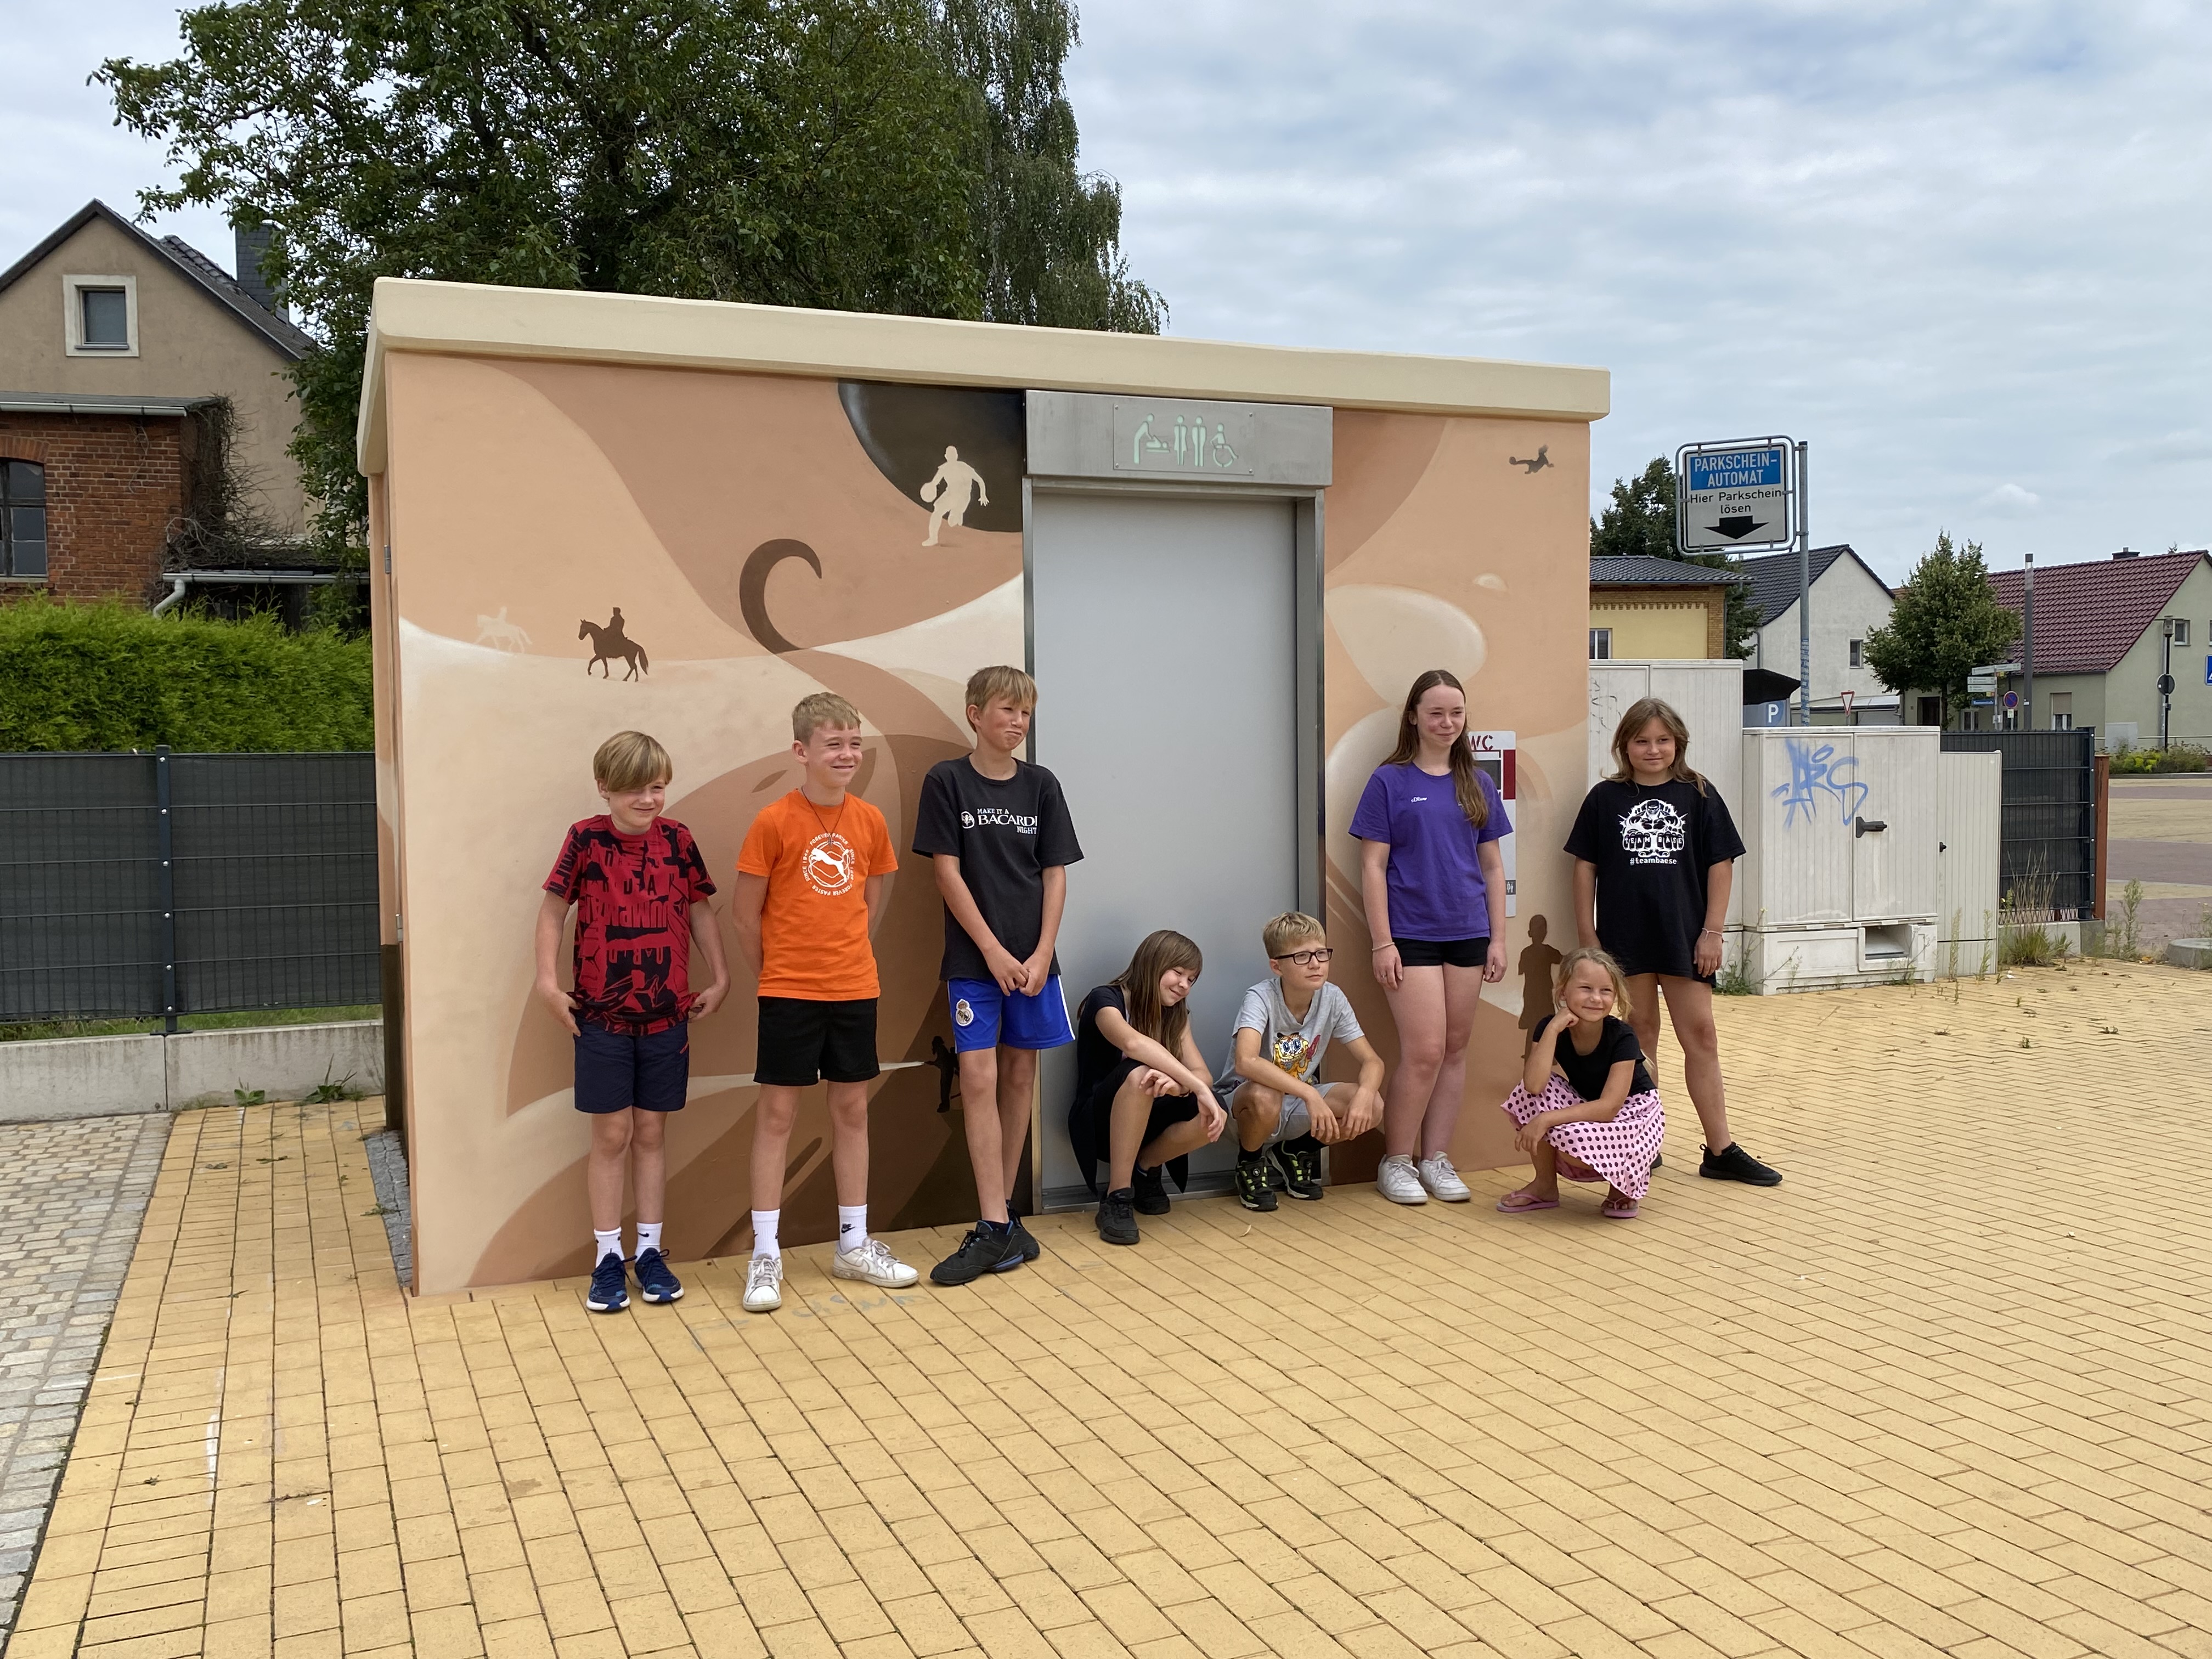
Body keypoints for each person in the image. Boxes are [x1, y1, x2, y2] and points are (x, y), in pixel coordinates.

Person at [730, 693, 917, 1314]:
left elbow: (874, 899)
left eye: (854, 743)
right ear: (801, 751)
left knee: (852, 1113)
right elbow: (743, 916)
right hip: (789, 993)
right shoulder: (773, 821)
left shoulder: (869, 821)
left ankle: (854, 1245)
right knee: (778, 1118)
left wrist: (847, 959)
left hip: (856, 990)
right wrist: (777, 975)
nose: (846, 754)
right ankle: (765, 1254)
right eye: (833, 744)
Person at [534, 731, 729, 1314]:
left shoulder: (679, 841)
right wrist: (547, 983)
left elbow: (700, 909)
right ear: (605, 789)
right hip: (601, 1018)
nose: (648, 800)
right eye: (635, 790)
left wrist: (720, 978)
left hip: (668, 1015)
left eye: (658, 787)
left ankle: (649, 1251)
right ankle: (606, 1258)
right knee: (612, 1135)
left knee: (651, 1133)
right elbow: (552, 912)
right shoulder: (585, 840)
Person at [913, 665, 1084, 1284]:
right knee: (978, 1078)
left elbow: (1056, 873)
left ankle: (1004, 1220)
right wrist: (990, 950)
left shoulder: (1042, 785)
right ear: (975, 713)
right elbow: (946, 873)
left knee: (1018, 1077)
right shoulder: (947, 781)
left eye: (1026, 714)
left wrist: (1041, 954)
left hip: (1035, 962)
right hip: (975, 961)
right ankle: (992, 1224)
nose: (1017, 723)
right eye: (1006, 710)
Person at [1566, 697, 1780, 1186]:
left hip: (1686, 939)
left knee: (1701, 1034)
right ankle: (1644, 1142)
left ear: (1678, 743)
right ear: (1625, 745)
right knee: (1639, 1034)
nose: (1653, 749)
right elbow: (1584, 867)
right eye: (1642, 740)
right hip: (1623, 941)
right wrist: (1588, 938)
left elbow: (1721, 865)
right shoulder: (1604, 798)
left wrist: (1713, 932)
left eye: (1663, 740)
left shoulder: (1699, 794)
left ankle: (1720, 1148)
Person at [1352, 669, 1510, 1205]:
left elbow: (1492, 867)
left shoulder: (1478, 783)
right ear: (1414, 716)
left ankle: (1435, 1159)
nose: (1447, 722)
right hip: (1410, 934)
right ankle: (1396, 1161)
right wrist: (1382, 942)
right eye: (1437, 712)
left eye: (1457, 713)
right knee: (1424, 1051)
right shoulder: (1389, 781)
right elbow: (1373, 867)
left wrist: (1498, 939)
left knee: (1456, 1049)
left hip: (1468, 931)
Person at [1215, 912, 1385, 1209]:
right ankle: (1250, 1162)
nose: (1316, 963)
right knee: (1264, 1092)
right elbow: (1246, 1061)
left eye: (1321, 953)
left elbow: (1373, 1061)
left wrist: (1366, 1094)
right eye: (1303, 956)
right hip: (1243, 1106)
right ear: (1277, 966)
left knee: (1373, 1105)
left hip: (1294, 1103)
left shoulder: (1332, 998)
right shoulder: (1260, 997)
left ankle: (1294, 1152)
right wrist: (1308, 1093)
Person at [1069, 930, 1227, 1245]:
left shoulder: (1176, 1014)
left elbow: (1203, 1074)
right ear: (1152, 964)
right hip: (1099, 1122)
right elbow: (1133, 1043)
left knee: (1214, 1109)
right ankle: (1117, 1197)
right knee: (1141, 1073)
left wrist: (1181, 1086)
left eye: (1192, 980)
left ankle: (1146, 1170)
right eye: (1178, 973)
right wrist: (1192, 1084)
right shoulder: (1105, 999)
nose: (1184, 985)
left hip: (1149, 1122)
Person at [1497, 947, 1663, 1218]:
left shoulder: (1623, 1036)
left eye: (1606, 991)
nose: (1596, 999)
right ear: (1563, 991)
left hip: (1633, 1114)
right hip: (1589, 1104)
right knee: (1528, 1094)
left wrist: (1545, 1120)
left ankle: (1624, 1186)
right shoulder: (1550, 1027)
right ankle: (1545, 1186)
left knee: (1572, 1140)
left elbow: (1609, 1108)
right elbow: (1534, 1086)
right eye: (1585, 988)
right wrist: (1553, 1027)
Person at [1516, 913, 1564, 1055]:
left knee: (1534, 1026)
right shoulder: (1547, 951)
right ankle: (1549, 1055)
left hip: (1531, 994)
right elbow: (1560, 958)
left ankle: (1532, 1054)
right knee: (1548, 1024)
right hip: (1541, 994)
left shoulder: (1526, 952)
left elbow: (1521, 970)